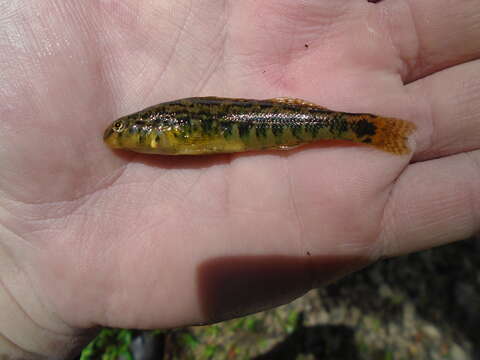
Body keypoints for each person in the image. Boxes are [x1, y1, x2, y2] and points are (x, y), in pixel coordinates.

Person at [1, 0, 479, 358]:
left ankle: (369, 129)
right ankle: (368, 129)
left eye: (130, 133)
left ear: (159, 132)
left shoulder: (169, 128)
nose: (123, 139)